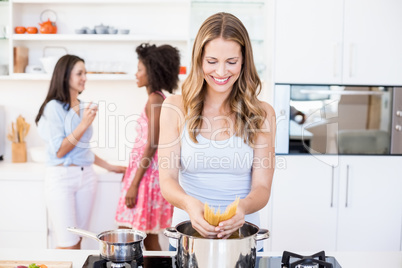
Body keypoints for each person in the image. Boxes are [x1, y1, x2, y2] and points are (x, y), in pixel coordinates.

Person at [158, 12, 276, 251]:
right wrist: (189, 204)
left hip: (242, 241)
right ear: (199, 60)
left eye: (231, 62)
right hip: (188, 241)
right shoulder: (174, 107)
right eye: (212, 61)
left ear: (244, 61)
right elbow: (167, 180)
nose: (221, 72)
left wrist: (241, 208)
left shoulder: (262, 113)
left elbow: (262, 188)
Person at [35, 54, 126, 249]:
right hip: (62, 178)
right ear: (65, 76)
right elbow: (60, 150)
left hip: (86, 177)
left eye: (85, 73)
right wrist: (84, 124)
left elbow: (82, 149)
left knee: (78, 240)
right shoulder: (54, 108)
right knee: (67, 243)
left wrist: (109, 166)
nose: (84, 77)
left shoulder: (82, 106)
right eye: (79, 73)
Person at [115, 43, 180, 250]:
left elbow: (152, 144)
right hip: (145, 174)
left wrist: (134, 183)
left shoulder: (155, 99)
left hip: (146, 178)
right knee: (148, 237)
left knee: (127, 234)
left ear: (152, 72)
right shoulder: (158, 98)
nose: (136, 74)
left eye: (140, 69)